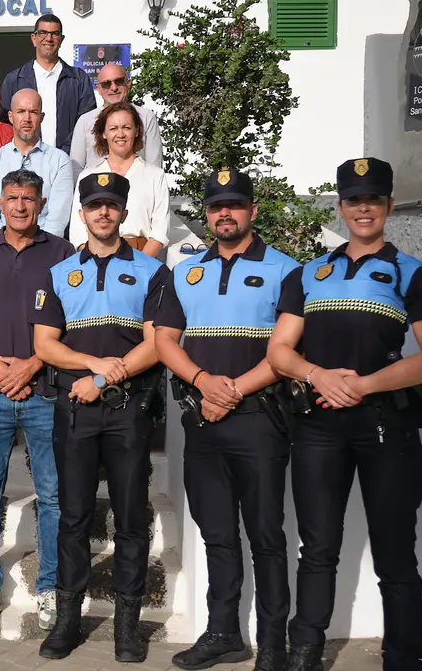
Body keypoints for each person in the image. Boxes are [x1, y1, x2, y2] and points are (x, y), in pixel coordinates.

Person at [267, 158, 422, 671]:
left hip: (385, 426)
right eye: (353, 200)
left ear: (389, 206)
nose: (363, 208)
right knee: (317, 548)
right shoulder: (310, 273)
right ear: (341, 207)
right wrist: (318, 375)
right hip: (318, 427)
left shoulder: (410, 272)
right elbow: (280, 351)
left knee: (395, 556)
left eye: (373, 199)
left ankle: (404, 660)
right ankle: (304, 655)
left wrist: (363, 384)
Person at [149, 170, 301, 671]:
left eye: (235, 205)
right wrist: (203, 382)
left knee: (266, 536)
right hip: (204, 423)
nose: (225, 214)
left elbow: (289, 348)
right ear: (208, 214)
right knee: (216, 533)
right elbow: (166, 340)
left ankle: (274, 645)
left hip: (259, 420)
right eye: (216, 207)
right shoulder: (185, 271)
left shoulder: (285, 270)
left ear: (252, 211)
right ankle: (223, 633)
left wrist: (231, 389)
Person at [30, 172, 169, 663]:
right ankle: (69, 620)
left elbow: (158, 344)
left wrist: (108, 379)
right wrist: (91, 367)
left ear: (124, 213)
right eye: (94, 205)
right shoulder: (62, 272)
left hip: (129, 410)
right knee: (73, 517)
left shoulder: (153, 272)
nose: (103, 213)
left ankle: (126, 629)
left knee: (131, 519)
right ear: (82, 213)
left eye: (111, 205)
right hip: (75, 409)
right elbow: (43, 344)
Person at [0, 169, 73, 629]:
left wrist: (31, 366)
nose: (21, 206)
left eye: (29, 198)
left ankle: (49, 587)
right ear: (0, 203)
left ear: (42, 203)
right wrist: (0, 368)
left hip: (45, 391)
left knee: (52, 495)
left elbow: (72, 319)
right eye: (12, 198)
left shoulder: (63, 252)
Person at [71, 102, 169, 257]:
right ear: (104, 133)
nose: (120, 134)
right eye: (113, 128)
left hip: (142, 259)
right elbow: (78, 232)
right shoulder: (87, 176)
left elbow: (159, 232)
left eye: (127, 127)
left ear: (137, 131)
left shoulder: (155, 176)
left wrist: (139, 267)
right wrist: (96, 266)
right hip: (96, 261)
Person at [0, 89, 74, 237]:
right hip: (2, 247)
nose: (27, 118)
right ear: (11, 116)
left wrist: (41, 248)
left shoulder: (59, 160)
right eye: (21, 111)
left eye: (33, 112)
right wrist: (4, 246)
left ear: (41, 117)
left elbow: (58, 218)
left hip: (46, 247)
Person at [0, 14, 97, 154]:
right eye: (43, 33)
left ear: (61, 39)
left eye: (54, 34)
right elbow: (5, 124)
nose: (49, 38)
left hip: (68, 160)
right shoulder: (14, 80)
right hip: (24, 160)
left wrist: (62, 155)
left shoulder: (79, 79)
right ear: (34, 38)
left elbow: (86, 122)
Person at [70, 63, 163, 171]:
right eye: (106, 84)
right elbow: (76, 167)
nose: (113, 88)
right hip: (94, 186)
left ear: (128, 83)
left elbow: (155, 166)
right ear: (99, 89)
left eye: (119, 81)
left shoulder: (146, 117)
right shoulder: (85, 121)